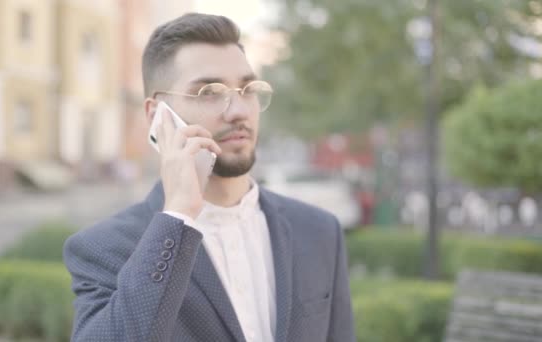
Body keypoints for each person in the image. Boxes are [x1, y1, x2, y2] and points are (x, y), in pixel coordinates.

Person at [63, 13, 355, 342]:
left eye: (247, 89)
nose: (239, 111)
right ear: (156, 116)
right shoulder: (104, 249)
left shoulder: (319, 232)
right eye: (208, 92)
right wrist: (178, 217)